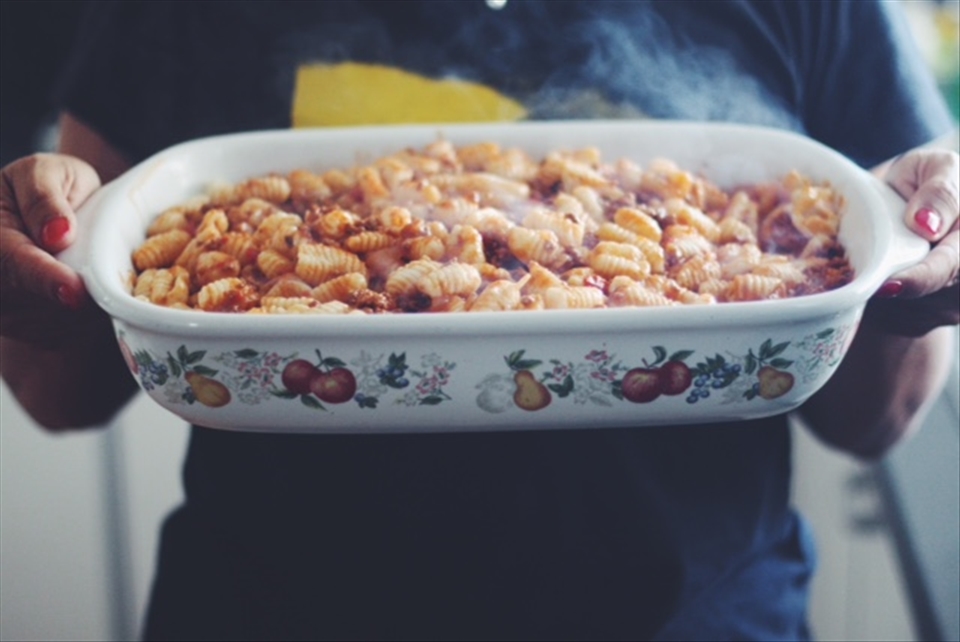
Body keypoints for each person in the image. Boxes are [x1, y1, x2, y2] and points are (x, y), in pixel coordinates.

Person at [1, 1, 957, 639]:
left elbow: (876, 418)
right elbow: (61, 388)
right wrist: (43, 255)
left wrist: (911, 258)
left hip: (695, 616)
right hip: (273, 610)